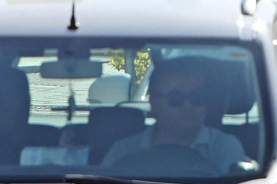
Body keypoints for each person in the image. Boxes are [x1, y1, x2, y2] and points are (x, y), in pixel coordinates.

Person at [102, 59, 250, 172]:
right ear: (154, 103)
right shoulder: (124, 150)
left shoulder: (224, 147)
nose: (188, 106)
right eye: (176, 98)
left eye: (196, 97)